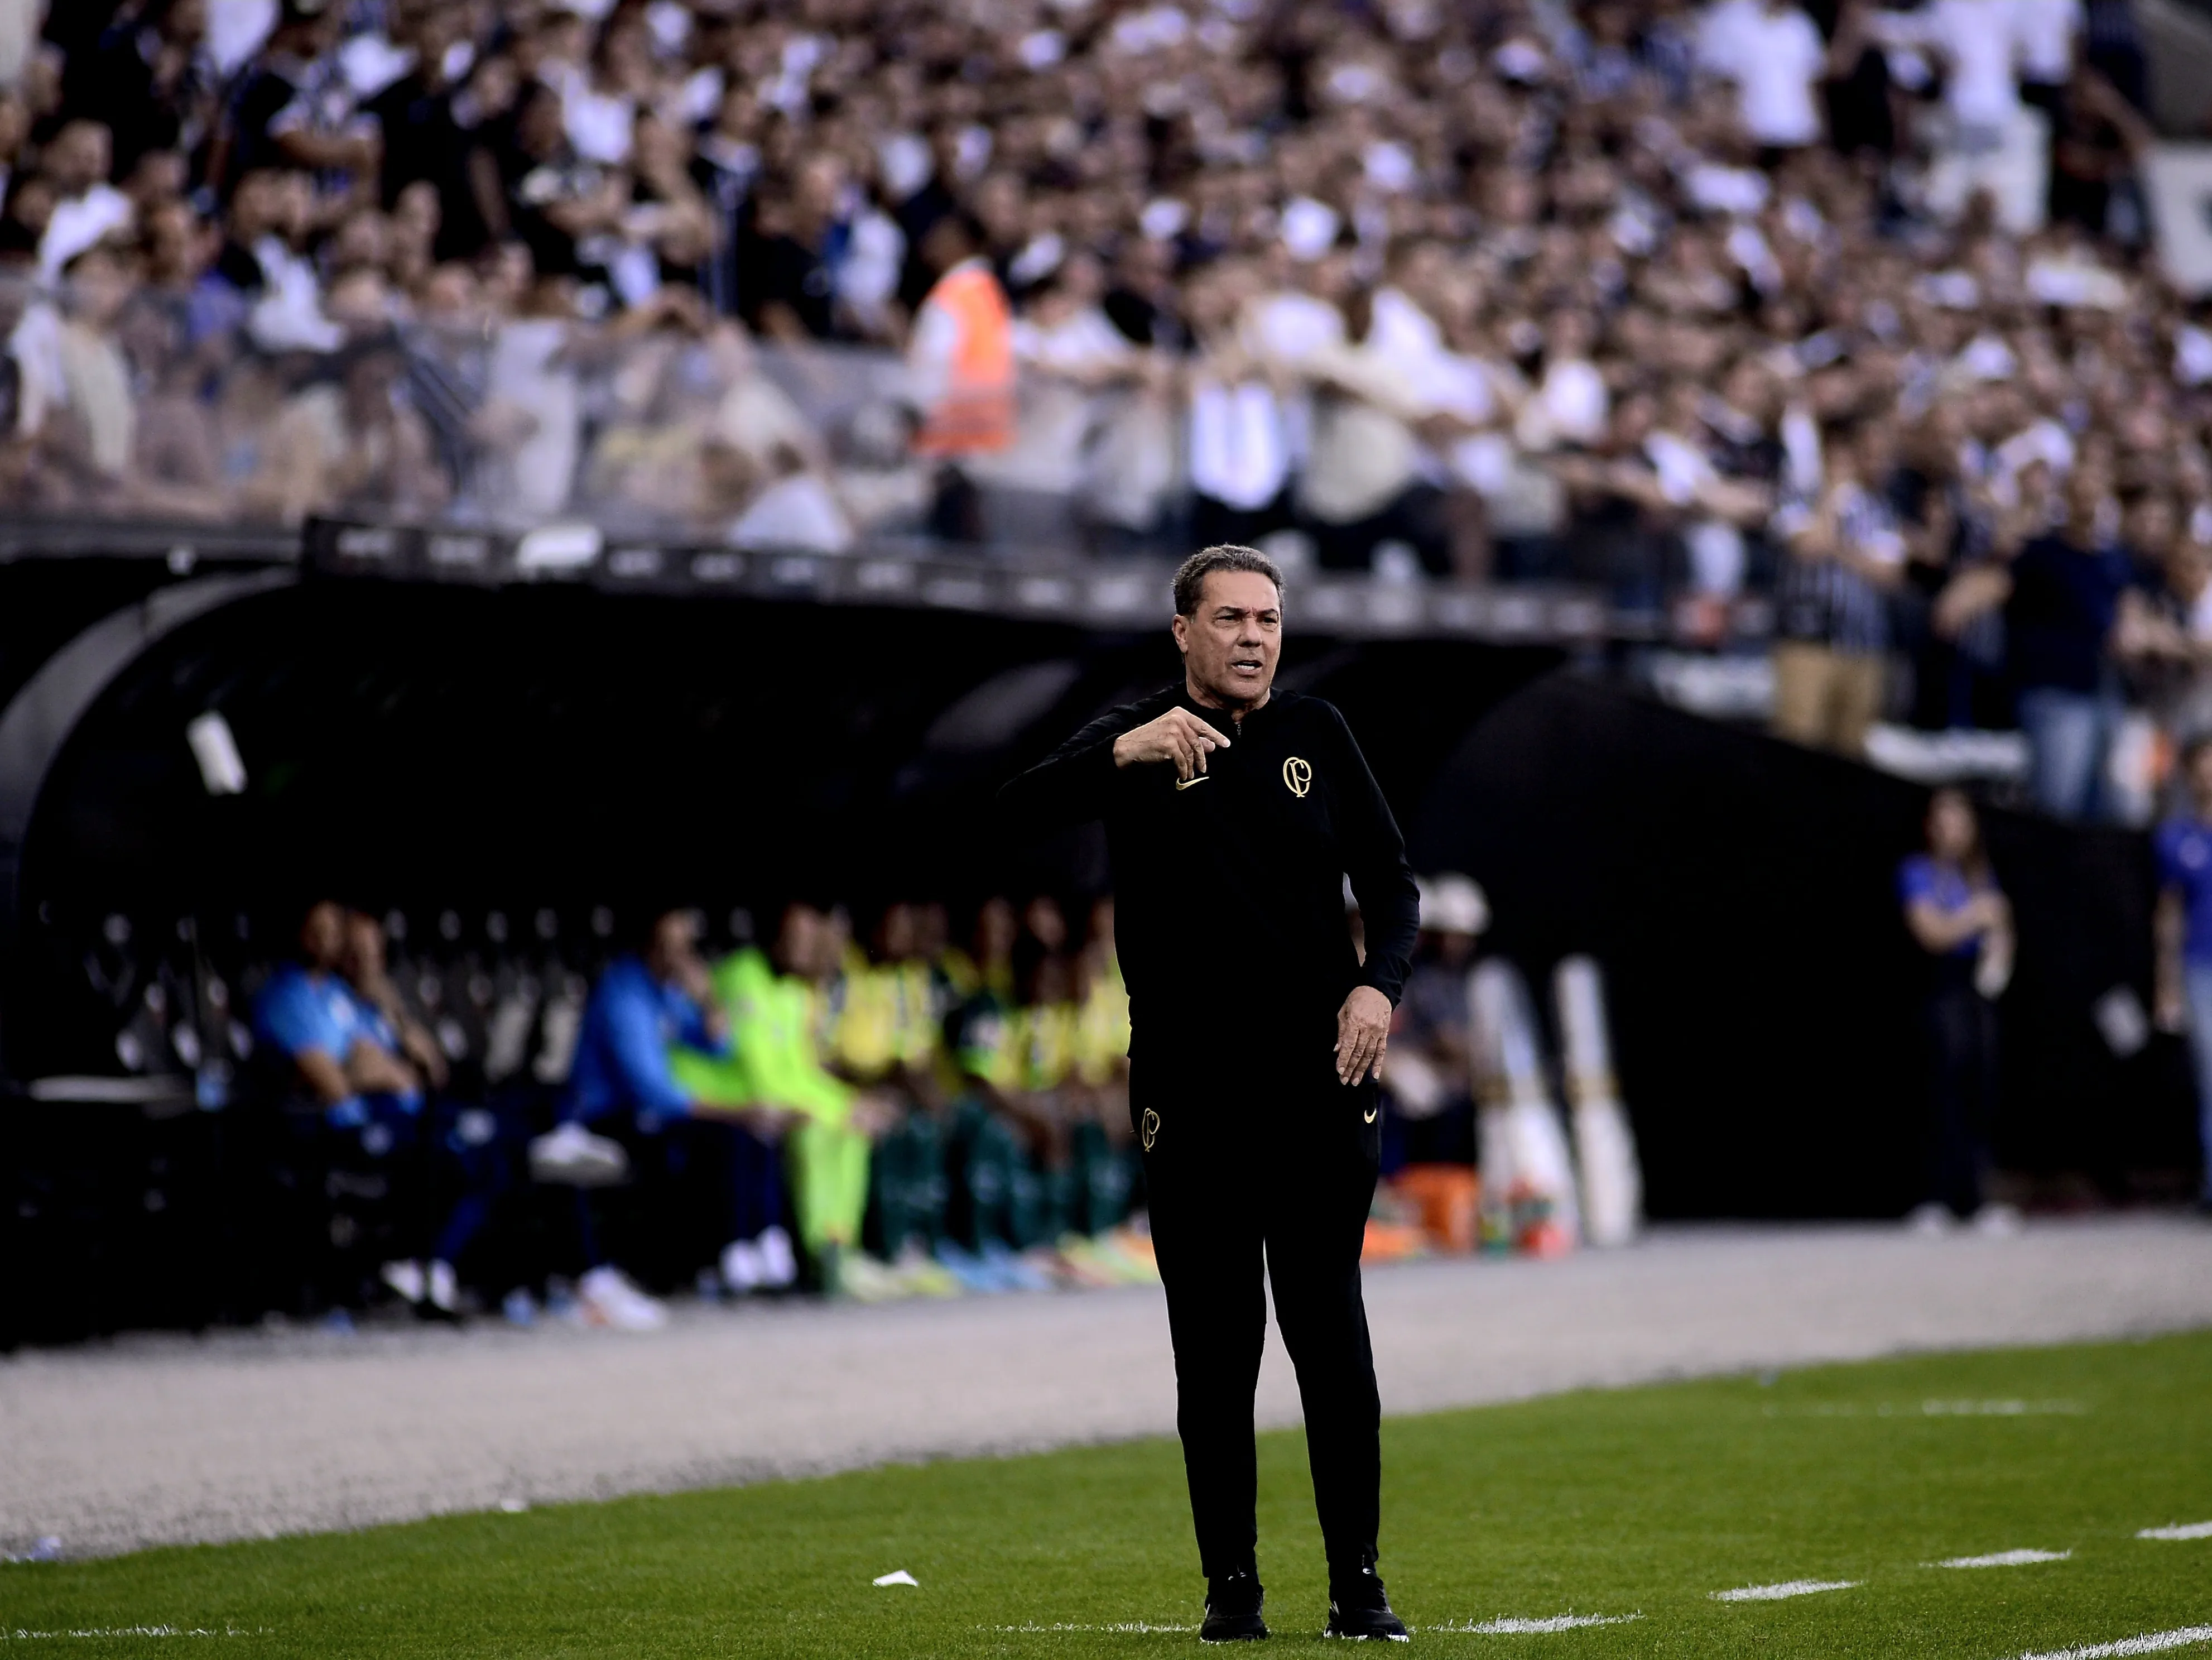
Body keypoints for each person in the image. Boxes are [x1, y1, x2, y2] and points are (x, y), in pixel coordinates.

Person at [999, 544, 1421, 1643]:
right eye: (1229, 616)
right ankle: (1230, 1587)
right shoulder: (1132, 741)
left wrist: (1377, 985)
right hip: (1189, 1088)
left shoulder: (1317, 735)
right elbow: (1001, 817)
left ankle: (1358, 1584)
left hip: (1319, 1080)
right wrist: (1120, 754)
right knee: (1215, 1342)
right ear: (1180, 631)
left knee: (1327, 1328)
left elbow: (1390, 881)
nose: (1252, 636)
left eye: (1268, 618)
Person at [557, 906, 763, 1330]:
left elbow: (719, 1049)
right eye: (676, 938)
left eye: (688, 939)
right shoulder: (624, 990)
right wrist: (735, 1111)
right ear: (652, 937)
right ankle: (617, 1279)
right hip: (597, 1117)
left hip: (642, 1119)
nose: (685, 949)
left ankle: (738, 1255)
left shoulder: (666, 991)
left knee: (737, 1136)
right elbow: (651, 1089)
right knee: (709, 1136)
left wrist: (707, 1000)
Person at [1898, 789, 2016, 1235]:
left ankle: (1978, 1198)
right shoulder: (1919, 873)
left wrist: (1999, 946)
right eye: (1943, 820)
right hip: (1939, 989)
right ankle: (1936, 1199)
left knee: (1980, 1092)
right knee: (1941, 1093)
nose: (1952, 830)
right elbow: (1932, 932)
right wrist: (1975, 917)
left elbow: (2002, 933)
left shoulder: (1980, 876)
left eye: (1960, 820)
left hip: (1977, 993)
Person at [2153, 738, 2212, 1216]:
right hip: (2200, 966)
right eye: (2202, 766)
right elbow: (2169, 915)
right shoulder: (2176, 839)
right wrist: (2166, 982)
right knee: (2211, 1074)